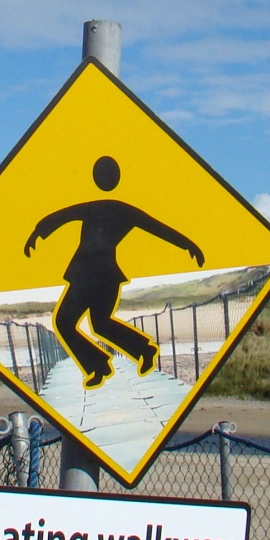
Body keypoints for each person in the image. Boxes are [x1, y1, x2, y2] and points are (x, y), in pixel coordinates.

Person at [24, 156, 204, 387]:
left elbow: (158, 228)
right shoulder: (113, 209)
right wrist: (37, 233)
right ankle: (117, 359)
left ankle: (109, 362)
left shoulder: (107, 208)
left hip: (92, 276)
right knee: (90, 323)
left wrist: (190, 245)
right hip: (98, 276)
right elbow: (63, 215)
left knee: (74, 323)